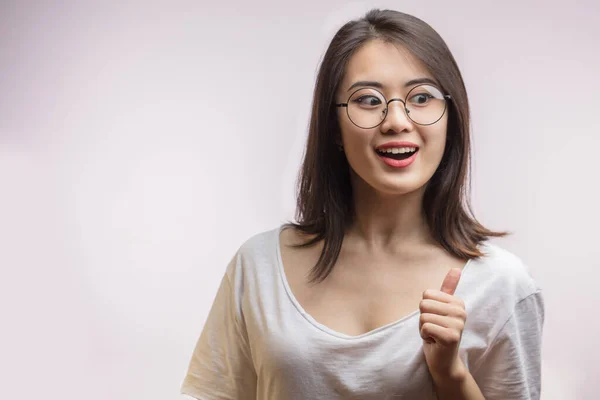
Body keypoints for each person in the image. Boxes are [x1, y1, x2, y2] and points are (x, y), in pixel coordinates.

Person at [180, 8, 544, 400]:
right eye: (369, 100)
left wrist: (450, 375)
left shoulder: (503, 284)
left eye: (421, 97)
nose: (397, 121)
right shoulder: (259, 265)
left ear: (449, 119)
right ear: (333, 127)